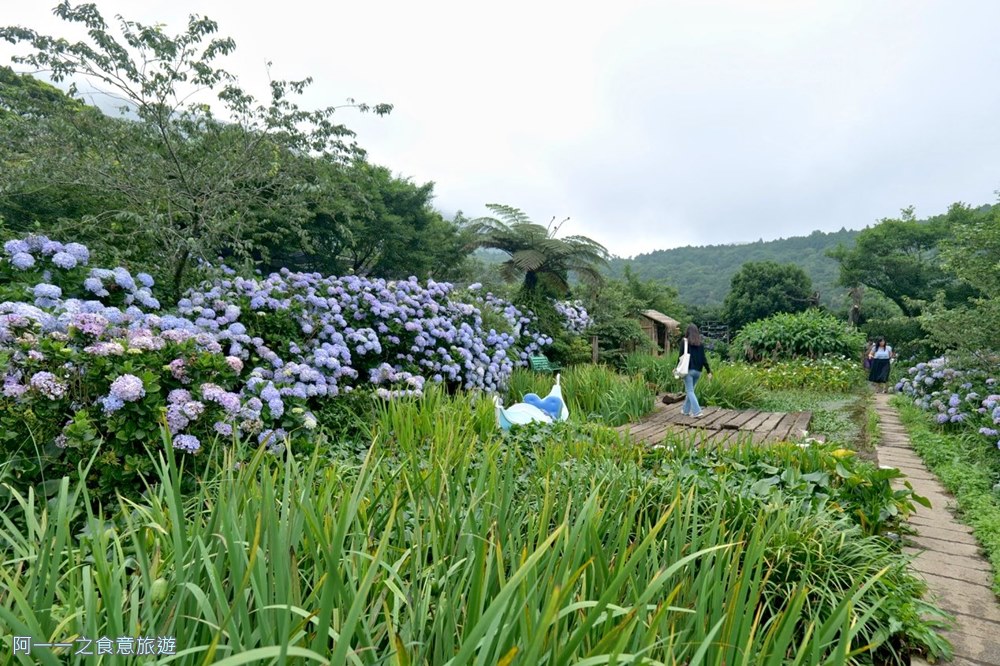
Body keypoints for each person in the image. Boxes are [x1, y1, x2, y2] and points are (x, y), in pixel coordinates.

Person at [678, 323, 713, 417]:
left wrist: (677, 368)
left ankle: (697, 412)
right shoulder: (700, 344)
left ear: (687, 332)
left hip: (688, 370)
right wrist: (709, 371)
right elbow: (704, 358)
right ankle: (685, 411)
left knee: (689, 391)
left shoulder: (684, 341)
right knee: (691, 390)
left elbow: (680, 357)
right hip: (698, 372)